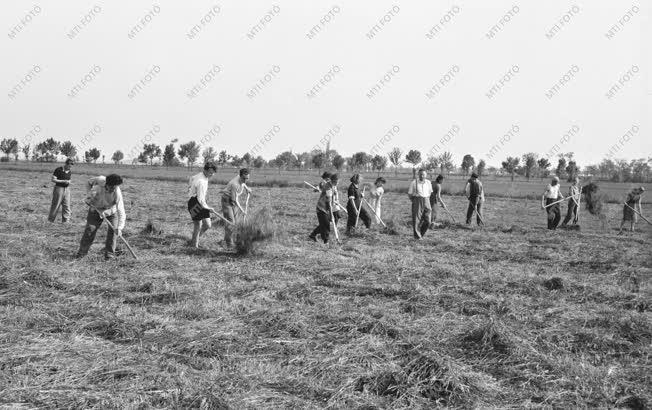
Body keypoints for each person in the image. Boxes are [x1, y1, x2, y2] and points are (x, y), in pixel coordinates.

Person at [76, 174, 126, 259]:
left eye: (115, 187)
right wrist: (89, 197)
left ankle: (109, 255)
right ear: (107, 184)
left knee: (114, 231)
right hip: (96, 210)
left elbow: (121, 211)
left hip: (111, 211)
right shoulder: (98, 184)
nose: (114, 189)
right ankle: (81, 254)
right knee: (90, 230)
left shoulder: (117, 193)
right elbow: (88, 182)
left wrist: (120, 228)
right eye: (112, 187)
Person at [187, 162, 218, 248]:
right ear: (205, 170)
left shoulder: (201, 176)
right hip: (194, 202)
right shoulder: (201, 182)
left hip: (198, 200)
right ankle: (194, 246)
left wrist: (190, 188)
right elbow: (200, 200)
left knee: (208, 225)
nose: (211, 174)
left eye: (213, 173)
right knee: (198, 224)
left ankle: (194, 240)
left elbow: (191, 178)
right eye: (210, 172)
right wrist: (208, 208)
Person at [221, 168, 252, 247]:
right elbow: (234, 200)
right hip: (227, 201)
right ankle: (229, 243)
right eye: (244, 178)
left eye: (247, 178)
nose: (245, 180)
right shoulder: (234, 184)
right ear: (240, 176)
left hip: (233, 200)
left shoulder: (241, 179)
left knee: (236, 222)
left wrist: (247, 189)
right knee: (231, 222)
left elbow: (243, 183)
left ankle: (226, 240)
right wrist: (242, 210)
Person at [309, 174, 337, 243]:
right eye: (338, 181)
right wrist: (331, 213)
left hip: (326, 208)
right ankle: (326, 241)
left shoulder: (332, 186)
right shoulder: (328, 187)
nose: (339, 183)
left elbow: (333, 198)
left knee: (323, 224)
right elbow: (328, 202)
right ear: (335, 180)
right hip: (321, 208)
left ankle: (313, 235)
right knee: (326, 224)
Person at [408, 169, 433, 239]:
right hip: (417, 200)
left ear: (426, 175)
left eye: (423, 174)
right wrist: (414, 201)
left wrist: (426, 199)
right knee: (416, 219)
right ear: (418, 175)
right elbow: (409, 194)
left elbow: (430, 192)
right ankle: (417, 237)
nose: (422, 176)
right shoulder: (414, 182)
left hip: (426, 200)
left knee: (428, 221)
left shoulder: (428, 182)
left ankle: (421, 233)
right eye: (420, 174)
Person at [48, 158, 74, 223]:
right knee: (56, 205)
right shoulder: (58, 170)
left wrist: (69, 182)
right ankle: (50, 221)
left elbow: (69, 179)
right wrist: (63, 181)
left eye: (71, 166)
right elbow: (53, 179)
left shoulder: (69, 171)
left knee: (67, 206)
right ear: (66, 164)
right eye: (69, 166)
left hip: (67, 190)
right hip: (59, 189)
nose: (70, 168)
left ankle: (65, 222)